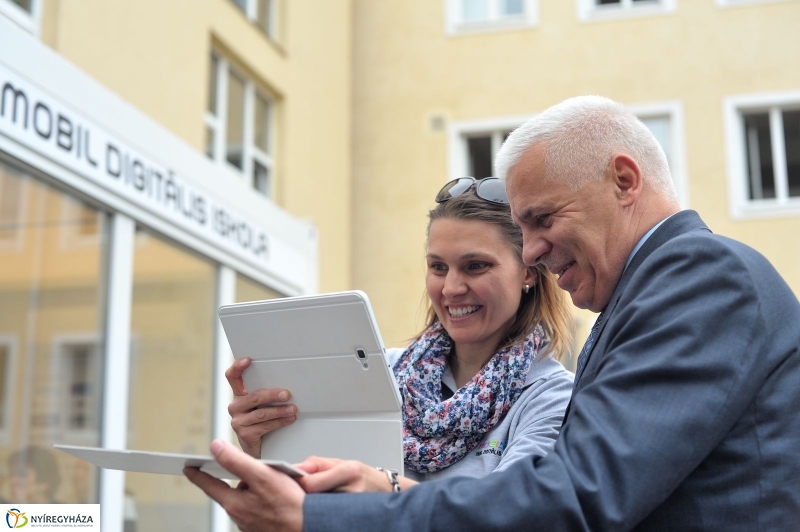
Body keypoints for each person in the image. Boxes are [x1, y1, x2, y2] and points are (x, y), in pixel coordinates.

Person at [185, 95, 800, 531]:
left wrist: (330, 514)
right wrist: (275, 445)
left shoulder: (699, 275)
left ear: (624, 180)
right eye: (437, 265)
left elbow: (577, 496)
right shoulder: (657, 289)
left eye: (542, 219)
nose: (532, 251)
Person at [223, 180, 575, 491]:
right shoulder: (385, 371)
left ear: (528, 272)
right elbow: (309, 503)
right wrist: (266, 450)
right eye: (438, 267)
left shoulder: (551, 398)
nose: (451, 288)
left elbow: (509, 513)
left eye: (476, 266)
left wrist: (385, 489)